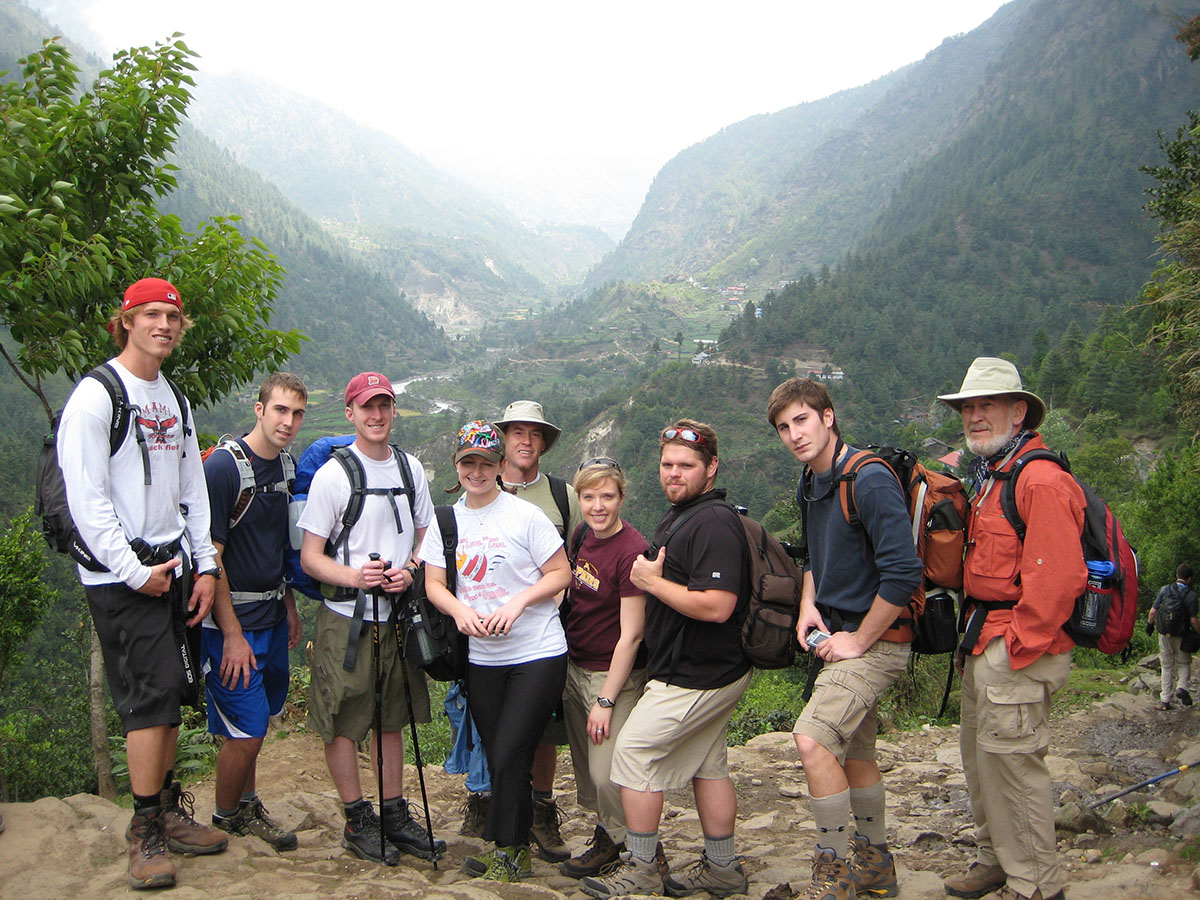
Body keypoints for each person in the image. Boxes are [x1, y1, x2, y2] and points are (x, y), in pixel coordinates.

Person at [58, 277, 228, 889]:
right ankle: (144, 831)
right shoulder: (97, 397)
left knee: (176, 691)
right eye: (151, 314)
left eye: (172, 317)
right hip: (122, 574)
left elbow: (192, 489)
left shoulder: (172, 398)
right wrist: (133, 572)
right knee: (145, 701)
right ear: (125, 321)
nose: (164, 325)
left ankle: (164, 806)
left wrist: (204, 565)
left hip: (171, 566)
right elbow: (88, 500)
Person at [582, 419, 752, 900]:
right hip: (711, 669)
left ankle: (640, 866)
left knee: (632, 755)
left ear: (711, 468)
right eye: (667, 465)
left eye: (686, 466)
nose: (674, 474)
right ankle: (723, 867)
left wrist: (652, 583)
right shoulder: (685, 514)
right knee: (709, 764)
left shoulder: (712, 523)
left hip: (696, 673)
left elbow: (717, 605)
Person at [768, 378, 923, 900]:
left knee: (812, 741)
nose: (794, 434)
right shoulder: (811, 482)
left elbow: (903, 574)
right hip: (838, 633)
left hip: (875, 639)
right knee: (854, 751)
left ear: (828, 417)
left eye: (802, 420)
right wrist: (809, 603)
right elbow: (815, 555)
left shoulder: (869, 478)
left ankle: (833, 873)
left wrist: (857, 640)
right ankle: (877, 868)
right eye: (784, 427)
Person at [938, 356, 1085, 900]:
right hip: (984, 641)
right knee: (982, 762)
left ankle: (1036, 886)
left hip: (1015, 646)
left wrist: (1015, 645)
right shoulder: (994, 472)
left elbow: (1059, 578)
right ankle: (995, 860)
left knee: (1016, 771)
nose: (975, 417)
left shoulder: (1040, 479)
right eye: (968, 408)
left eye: (987, 406)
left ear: (1017, 411)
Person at [296, 372, 444, 866]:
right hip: (347, 618)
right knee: (343, 717)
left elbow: (427, 535)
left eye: (384, 405)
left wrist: (409, 570)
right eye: (366, 407)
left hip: (398, 615)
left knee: (392, 717)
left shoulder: (410, 468)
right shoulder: (333, 476)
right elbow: (311, 558)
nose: (376, 415)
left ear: (393, 410)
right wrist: (356, 577)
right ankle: (358, 817)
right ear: (350, 414)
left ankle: (394, 813)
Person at [419, 421, 574, 882]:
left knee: (509, 752)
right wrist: (460, 612)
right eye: (469, 462)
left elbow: (561, 573)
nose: (478, 471)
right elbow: (433, 584)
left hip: (538, 651)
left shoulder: (525, 517)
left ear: (502, 466)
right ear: (457, 466)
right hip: (483, 658)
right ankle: (514, 847)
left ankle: (509, 852)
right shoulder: (447, 521)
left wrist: (519, 601)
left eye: (487, 462)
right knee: (500, 753)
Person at [203, 372, 307, 850]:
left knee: (259, 720)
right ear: (259, 408)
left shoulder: (285, 468)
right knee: (246, 731)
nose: (288, 421)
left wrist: (288, 603)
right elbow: (212, 558)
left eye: (297, 413)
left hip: (269, 614)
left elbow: (277, 546)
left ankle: (247, 803)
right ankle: (227, 816)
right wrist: (230, 634)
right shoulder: (224, 470)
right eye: (280, 410)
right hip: (231, 624)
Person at [488, 399, 582, 861]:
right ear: (504, 438)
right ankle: (492, 803)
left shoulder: (562, 496)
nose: (526, 441)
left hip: (546, 632)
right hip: (489, 634)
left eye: (535, 434)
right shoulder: (481, 484)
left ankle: (541, 807)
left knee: (546, 726)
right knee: (491, 721)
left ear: (544, 442)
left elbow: (581, 559)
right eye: (517, 432)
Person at [559, 458, 650, 879]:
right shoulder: (581, 535)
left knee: (607, 770)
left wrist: (606, 699)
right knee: (588, 769)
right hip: (575, 664)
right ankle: (607, 836)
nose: (598, 506)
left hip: (609, 676)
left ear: (622, 498)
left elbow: (631, 635)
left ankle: (632, 846)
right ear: (579, 499)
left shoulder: (632, 551)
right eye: (589, 496)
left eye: (607, 496)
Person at [1148, 563, 1199, 710]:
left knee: (1167, 665)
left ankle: (1165, 701)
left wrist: (1150, 625)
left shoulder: (1165, 590)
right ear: (1189, 579)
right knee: (1183, 663)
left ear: (1177, 575)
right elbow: (1193, 620)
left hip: (1164, 633)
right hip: (1181, 635)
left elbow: (1153, 611)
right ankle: (1182, 688)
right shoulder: (1191, 596)